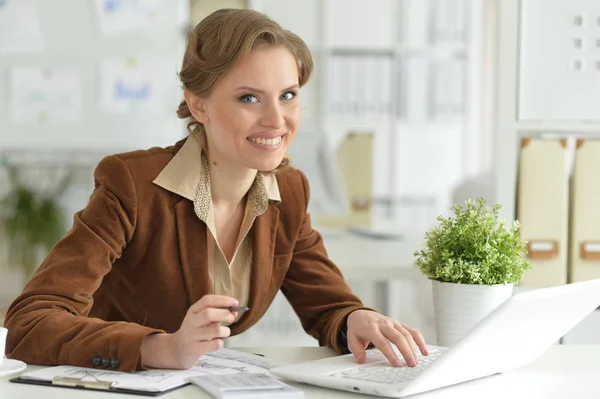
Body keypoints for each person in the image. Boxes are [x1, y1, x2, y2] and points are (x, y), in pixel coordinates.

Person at [4, 8, 428, 372]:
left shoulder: (289, 191)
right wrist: (159, 348)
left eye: (287, 95)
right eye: (249, 98)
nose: (276, 120)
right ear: (198, 104)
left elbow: (328, 305)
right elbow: (29, 324)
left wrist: (356, 318)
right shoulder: (132, 185)